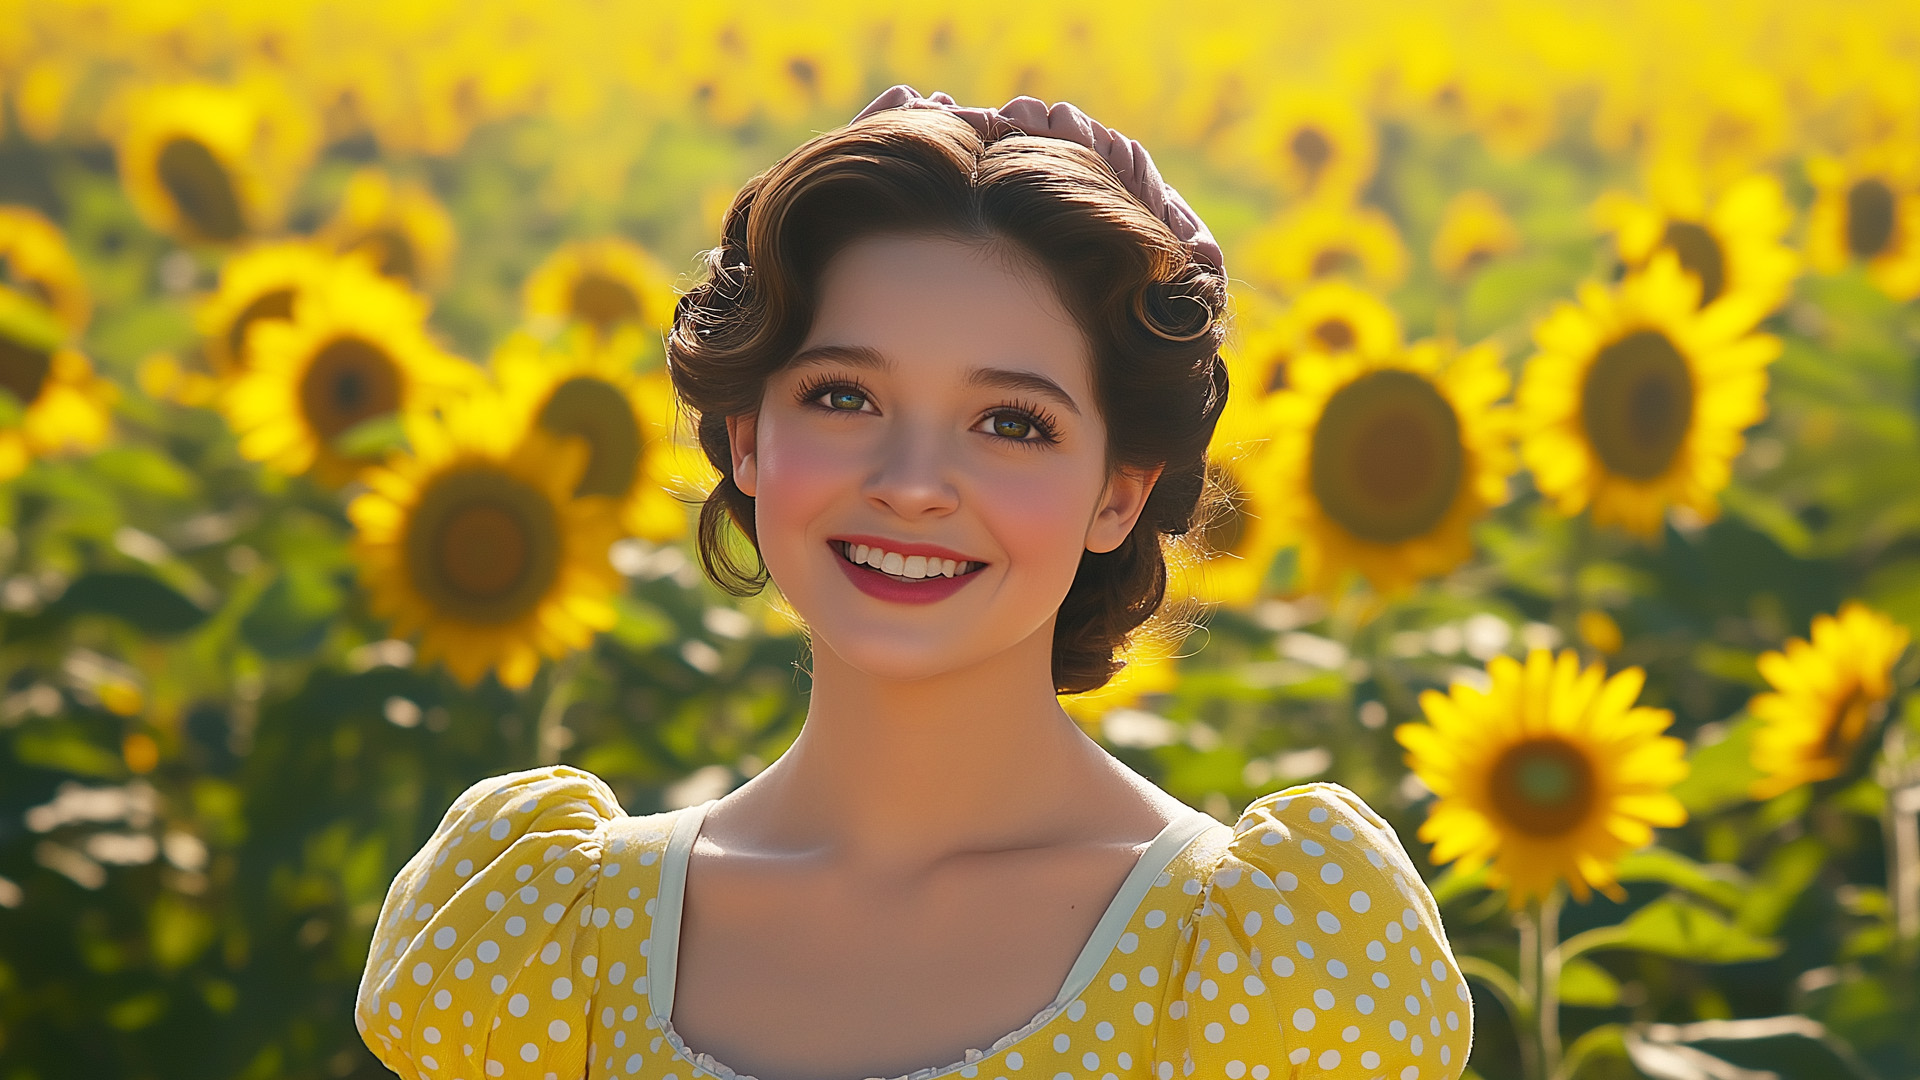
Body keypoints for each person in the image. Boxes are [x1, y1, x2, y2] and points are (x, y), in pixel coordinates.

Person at [355, 85, 1471, 1080]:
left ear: (1118, 495)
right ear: (746, 437)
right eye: (845, 397)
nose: (913, 484)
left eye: (1012, 423)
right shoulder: (552, 942)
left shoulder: (1258, 973)